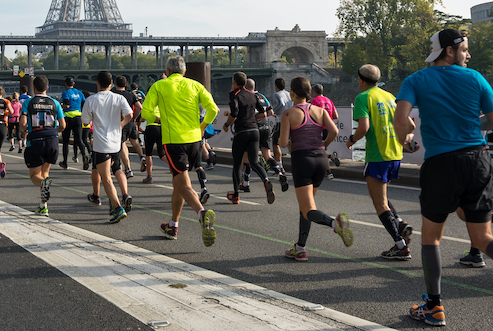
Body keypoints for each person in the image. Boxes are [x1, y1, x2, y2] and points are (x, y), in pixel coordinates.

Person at [395, 29, 493, 328]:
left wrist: (406, 140)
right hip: (478, 160)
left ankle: (434, 307)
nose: (468, 55)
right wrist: (467, 122)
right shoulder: (477, 78)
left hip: (441, 163)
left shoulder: (415, 80)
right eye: (465, 49)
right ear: (449, 51)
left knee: (431, 237)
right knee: (482, 237)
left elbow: (401, 121)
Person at [142, 56, 218, 246]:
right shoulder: (195, 85)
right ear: (184, 72)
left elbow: (145, 112)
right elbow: (213, 110)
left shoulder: (160, 86)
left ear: (167, 71)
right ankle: (173, 225)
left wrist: (158, 120)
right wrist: (202, 126)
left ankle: (202, 213)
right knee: (178, 184)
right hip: (194, 141)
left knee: (183, 185)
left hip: (174, 141)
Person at [279, 76, 351, 261]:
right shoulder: (319, 110)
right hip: (321, 159)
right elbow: (334, 131)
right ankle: (300, 247)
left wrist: (289, 143)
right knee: (307, 207)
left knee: (307, 208)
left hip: (302, 159)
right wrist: (324, 144)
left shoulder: (288, 113)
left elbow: (282, 142)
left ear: (292, 93)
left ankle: (335, 224)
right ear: (309, 92)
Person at [345, 64, 413, 260]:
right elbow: (410, 124)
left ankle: (400, 246)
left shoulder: (363, 98)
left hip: (377, 155)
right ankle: (399, 223)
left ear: (361, 79)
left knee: (379, 203)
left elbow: (364, 127)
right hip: (395, 154)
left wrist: (351, 140)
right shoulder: (389, 96)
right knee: (382, 196)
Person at [83, 70, 134, 223]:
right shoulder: (119, 98)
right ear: (111, 84)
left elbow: (85, 122)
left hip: (101, 145)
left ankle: (118, 208)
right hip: (116, 143)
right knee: (114, 172)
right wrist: (120, 125)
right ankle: (113, 205)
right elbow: (130, 114)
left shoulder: (91, 100)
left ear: (97, 83)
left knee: (106, 178)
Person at [223, 72, 274, 204]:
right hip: (254, 131)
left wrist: (227, 124)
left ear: (234, 82)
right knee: (254, 162)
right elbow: (263, 113)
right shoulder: (253, 95)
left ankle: (236, 195)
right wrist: (252, 118)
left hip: (242, 131)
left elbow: (234, 113)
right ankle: (266, 181)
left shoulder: (234, 95)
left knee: (236, 164)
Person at [21, 75, 66, 216]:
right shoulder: (55, 103)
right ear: (47, 88)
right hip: (52, 140)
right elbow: (63, 125)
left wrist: (24, 131)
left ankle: (43, 199)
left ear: (33, 88)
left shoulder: (28, 102)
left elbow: (22, 123)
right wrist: (54, 131)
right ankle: (43, 206)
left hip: (35, 140)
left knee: (35, 176)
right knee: (45, 174)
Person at [114, 75, 144, 180]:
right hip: (131, 122)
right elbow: (140, 107)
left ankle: (128, 169)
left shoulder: (114, 95)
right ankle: (142, 156)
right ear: (125, 85)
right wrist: (135, 118)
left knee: (123, 145)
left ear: (115, 84)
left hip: (120, 123)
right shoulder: (131, 95)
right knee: (134, 141)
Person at [60, 76, 89, 170]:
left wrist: (62, 106)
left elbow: (67, 105)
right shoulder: (80, 93)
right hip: (78, 117)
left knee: (66, 141)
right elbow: (84, 105)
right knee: (79, 140)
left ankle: (65, 162)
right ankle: (84, 155)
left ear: (65, 84)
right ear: (74, 84)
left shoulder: (65, 93)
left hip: (68, 118)